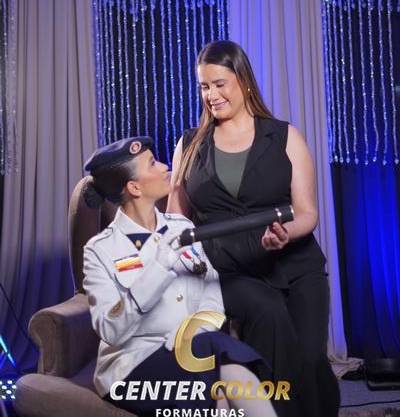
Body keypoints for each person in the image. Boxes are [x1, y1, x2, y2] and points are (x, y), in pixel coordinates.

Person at [167, 40, 340, 417]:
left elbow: (307, 212)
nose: (211, 95)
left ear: (243, 82)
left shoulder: (285, 136)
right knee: (271, 339)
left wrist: (286, 233)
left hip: (295, 267)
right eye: (204, 86)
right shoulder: (190, 145)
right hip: (229, 271)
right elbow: (175, 221)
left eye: (219, 84)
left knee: (309, 360)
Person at [82, 135, 277, 416]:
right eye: (153, 163)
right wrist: (158, 270)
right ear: (135, 187)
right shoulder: (100, 250)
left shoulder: (182, 227)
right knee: (216, 367)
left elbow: (210, 290)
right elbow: (109, 329)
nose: (165, 167)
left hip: (192, 351)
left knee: (214, 380)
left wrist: (193, 333)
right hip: (132, 368)